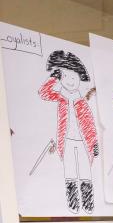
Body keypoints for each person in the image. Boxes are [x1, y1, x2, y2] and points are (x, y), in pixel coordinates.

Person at [38, 50, 99, 214]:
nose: (70, 81)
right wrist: (54, 76)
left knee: (86, 172)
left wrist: (94, 144)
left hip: (83, 142)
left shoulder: (82, 100)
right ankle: (73, 204)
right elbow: (43, 93)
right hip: (67, 142)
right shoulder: (61, 97)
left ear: (80, 77)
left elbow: (90, 124)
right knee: (70, 172)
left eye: (73, 77)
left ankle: (88, 204)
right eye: (65, 77)